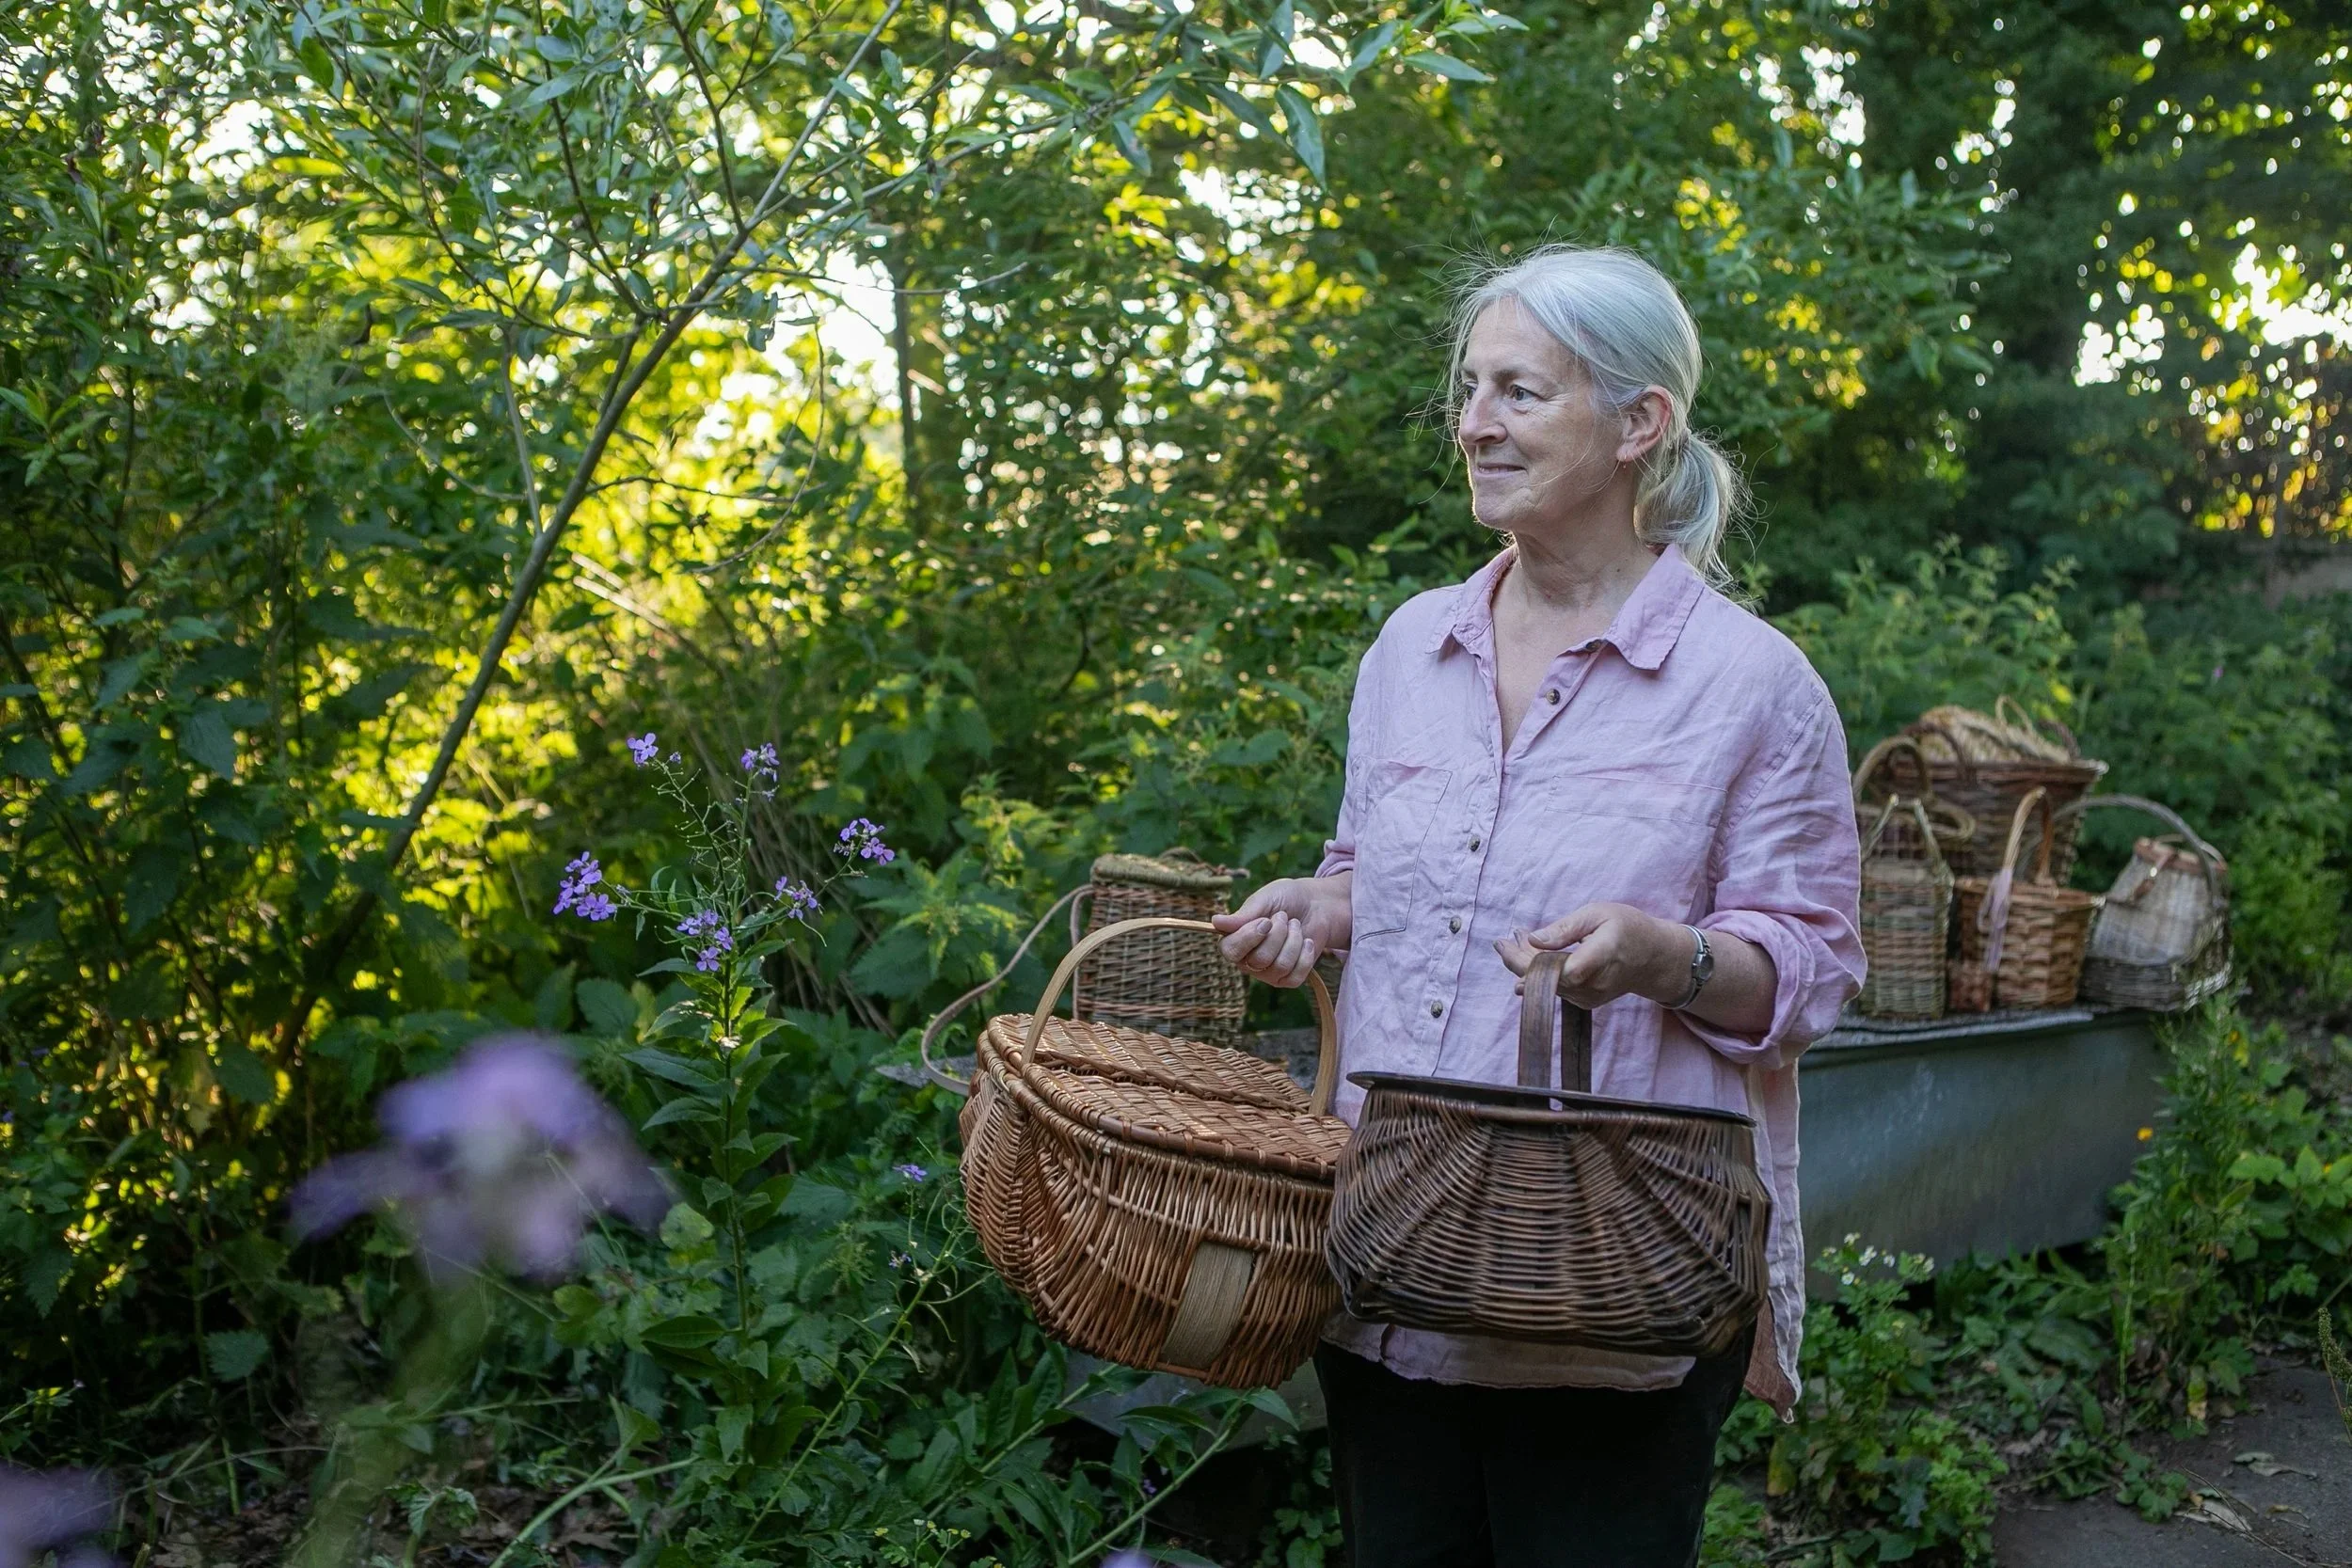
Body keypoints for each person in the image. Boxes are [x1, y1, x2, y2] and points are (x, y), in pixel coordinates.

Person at [1212, 244, 1865, 1568]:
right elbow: (1374, 865)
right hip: (1388, 1254)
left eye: (1518, 390)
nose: (1472, 422)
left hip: (1602, 1294)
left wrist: (1664, 957)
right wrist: (1321, 907)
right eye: (1468, 388)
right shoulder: (1412, 649)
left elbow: (1811, 969)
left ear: (1641, 424)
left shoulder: (1751, 686)